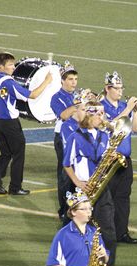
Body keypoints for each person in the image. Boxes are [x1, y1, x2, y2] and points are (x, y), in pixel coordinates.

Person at [63, 101, 125, 266]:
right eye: (99, 114)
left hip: (101, 188)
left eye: (103, 114)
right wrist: (79, 183)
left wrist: (112, 158)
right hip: (83, 190)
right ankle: (74, 263)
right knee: (78, 229)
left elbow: (105, 160)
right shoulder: (75, 137)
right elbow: (66, 164)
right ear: (89, 115)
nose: (102, 118)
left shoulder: (104, 136)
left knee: (109, 231)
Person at [0, 52, 52, 195]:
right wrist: (46, 81)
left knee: (5, 153)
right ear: (1, 66)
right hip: (10, 123)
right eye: (10, 65)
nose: (13, 67)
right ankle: (15, 187)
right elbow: (32, 95)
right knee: (18, 154)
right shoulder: (8, 82)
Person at [100, 71, 137, 244]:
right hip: (109, 159)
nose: (120, 92)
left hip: (125, 159)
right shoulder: (100, 106)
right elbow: (111, 126)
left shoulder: (125, 106)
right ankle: (106, 232)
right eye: (116, 88)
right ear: (107, 89)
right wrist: (128, 109)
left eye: (121, 88)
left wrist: (136, 112)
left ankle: (122, 232)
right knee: (107, 198)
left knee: (123, 197)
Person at [50, 61, 80, 220]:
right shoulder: (57, 97)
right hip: (63, 138)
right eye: (70, 79)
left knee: (79, 172)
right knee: (65, 175)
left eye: (75, 79)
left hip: (79, 136)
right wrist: (77, 104)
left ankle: (77, 206)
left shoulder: (78, 95)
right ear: (62, 80)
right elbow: (63, 115)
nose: (73, 82)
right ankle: (64, 209)